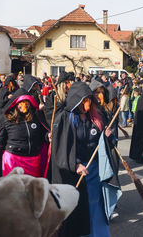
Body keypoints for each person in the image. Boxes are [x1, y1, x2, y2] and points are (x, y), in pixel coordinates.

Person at [50, 82, 119, 237]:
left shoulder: (96, 117)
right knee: (77, 209)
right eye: (84, 101)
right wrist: (75, 164)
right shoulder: (65, 118)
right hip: (74, 174)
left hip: (94, 170)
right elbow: (59, 148)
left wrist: (108, 137)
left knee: (95, 206)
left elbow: (104, 144)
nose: (87, 105)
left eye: (89, 100)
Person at [0, 89, 49, 178]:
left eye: (27, 103)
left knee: (31, 191)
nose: (24, 106)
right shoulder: (7, 119)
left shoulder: (36, 117)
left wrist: (48, 136)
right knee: (14, 190)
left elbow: (42, 136)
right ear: (15, 103)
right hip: (13, 163)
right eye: (21, 103)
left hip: (33, 163)